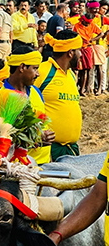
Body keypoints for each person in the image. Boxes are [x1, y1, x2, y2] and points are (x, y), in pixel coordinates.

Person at [34, 30, 83, 161]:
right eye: (79, 50)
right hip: (49, 150)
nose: (81, 55)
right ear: (70, 52)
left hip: (71, 148)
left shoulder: (71, 75)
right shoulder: (43, 71)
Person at [4, 47, 54, 164]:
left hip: (44, 166)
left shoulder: (36, 92)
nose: (38, 74)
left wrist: (50, 161)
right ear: (22, 67)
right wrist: (35, 140)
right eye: (35, 68)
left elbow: (43, 128)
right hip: (20, 169)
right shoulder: (1, 99)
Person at [74, 14, 102, 96]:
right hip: (78, 48)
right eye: (86, 23)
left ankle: (83, 90)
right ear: (83, 20)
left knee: (86, 70)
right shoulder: (76, 26)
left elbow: (101, 33)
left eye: (88, 23)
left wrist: (92, 40)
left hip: (87, 49)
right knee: (77, 70)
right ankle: (75, 89)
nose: (87, 24)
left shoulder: (92, 25)